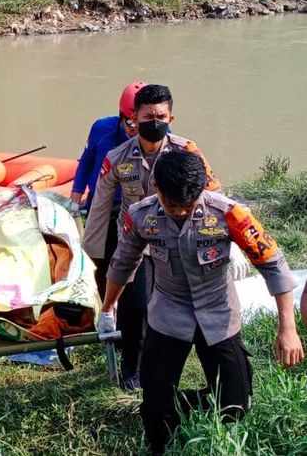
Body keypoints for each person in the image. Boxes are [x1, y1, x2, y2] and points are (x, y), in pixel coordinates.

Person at [98, 149, 304, 455]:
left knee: (236, 405)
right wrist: (107, 307)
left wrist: (287, 328)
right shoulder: (141, 216)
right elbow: (123, 262)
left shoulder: (230, 214)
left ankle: (189, 406)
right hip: (168, 314)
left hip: (218, 315)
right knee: (156, 414)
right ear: (157, 187)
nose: (180, 212)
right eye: (172, 205)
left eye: (188, 205)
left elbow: (272, 263)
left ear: (202, 190)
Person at [83, 83, 249, 391]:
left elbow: (213, 192)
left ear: (170, 117)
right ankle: (131, 369)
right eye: (148, 116)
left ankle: (204, 367)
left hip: (184, 234)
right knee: (135, 307)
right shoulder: (116, 156)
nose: (154, 122)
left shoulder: (186, 151)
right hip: (135, 237)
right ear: (134, 117)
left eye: (161, 115)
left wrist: (235, 239)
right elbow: (100, 205)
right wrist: (91, 255)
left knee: (183, 300)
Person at [70, 80, 146, 213]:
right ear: (121, 114)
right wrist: (74, 200)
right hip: (99, 200)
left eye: (142, 124)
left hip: (135, 204)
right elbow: (86, 162)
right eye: (131, 123)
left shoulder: (159, 136)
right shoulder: (102, 129)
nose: (136, 129)